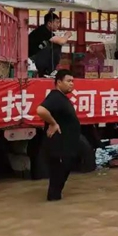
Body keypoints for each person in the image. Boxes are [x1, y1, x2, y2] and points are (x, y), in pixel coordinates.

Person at [35, 69, 81, 201]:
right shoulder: (55, 96)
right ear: (59, 82)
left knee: (59, 181)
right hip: (59, 148)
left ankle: (55, 207)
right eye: (68, 81)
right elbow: (41, 110)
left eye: (73, 81)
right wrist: (53, 123)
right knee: (57, 181)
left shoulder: (61, 98)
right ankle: (53, 206)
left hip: (65, 148)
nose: (71, 84)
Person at [28, 9, 71, 77]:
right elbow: (62, 41)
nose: (58, 25)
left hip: (35, 58)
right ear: (49, 23)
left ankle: (47, 71)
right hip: (31, 59)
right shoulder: (43, 31)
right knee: (56, 45)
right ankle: (49, 71)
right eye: (56, 22)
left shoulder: (44, 31)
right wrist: (67, 35)